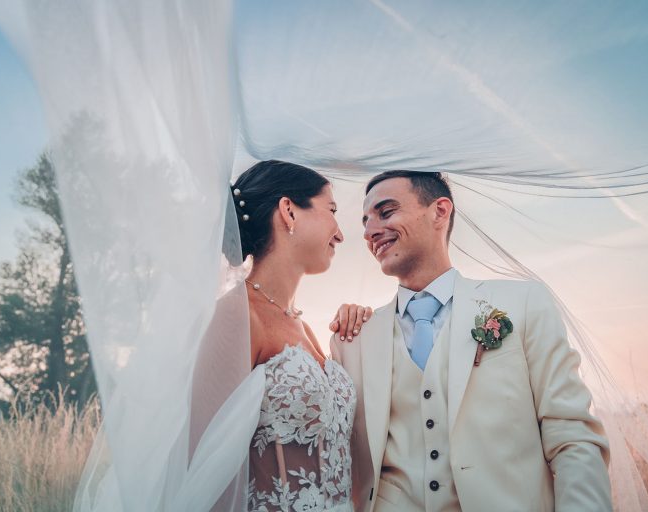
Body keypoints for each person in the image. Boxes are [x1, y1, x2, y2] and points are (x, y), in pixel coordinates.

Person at [331, 171, 613, 511]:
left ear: (440, 211)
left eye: (386, 212)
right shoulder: (352, 338)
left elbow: (572, 436)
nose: (369, 231)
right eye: (365, 221)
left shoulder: (523, 303)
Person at [189, 160, 371, 512]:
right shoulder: (237, 315)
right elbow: (201, 466)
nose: (340, 232)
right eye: (331, 209)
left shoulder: (304, 327)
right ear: (289, 211)